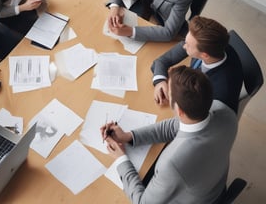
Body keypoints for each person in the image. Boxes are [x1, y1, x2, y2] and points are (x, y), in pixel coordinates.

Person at [101, 65, 238, 204]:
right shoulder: (225, 112)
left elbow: (143, 202)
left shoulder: (173, 164)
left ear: (180, 112)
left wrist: (121, 159)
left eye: (169, 94)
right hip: (213, 188)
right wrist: (129, 136)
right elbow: (174, 125)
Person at [151, 15, 243, 114]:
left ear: (204, 55)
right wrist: (160, 81)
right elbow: (162, 61)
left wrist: (175, 94)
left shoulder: (219, 91)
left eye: (188, 45)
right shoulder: (211, 45)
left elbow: (199, 116)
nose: (184, 46)